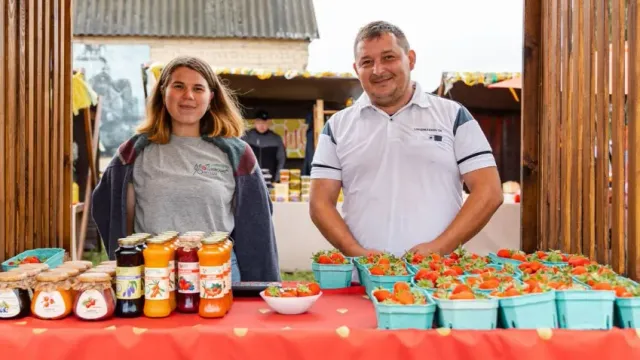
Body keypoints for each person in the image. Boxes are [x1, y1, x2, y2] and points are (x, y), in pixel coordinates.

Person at [309, 21, 503, 258]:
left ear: (410, 59)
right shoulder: (337, 127)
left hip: (437, 278)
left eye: (388, 57)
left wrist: (440, 247)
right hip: (364, 277)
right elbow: (319, 203)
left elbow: (489, 191)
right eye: (367, 62)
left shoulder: (453, 115)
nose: (378, 70)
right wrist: (356, 252)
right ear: (355, 68)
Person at [92, 56, 280, 282]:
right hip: (155, 275)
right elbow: (119, 221)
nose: (188, 96)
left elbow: (257, 223)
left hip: (217, 273)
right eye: (178, 86)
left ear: (211, 97)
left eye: (198, 88)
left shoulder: (238, 154)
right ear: (163, 93)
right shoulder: (134, 153)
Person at [242, 110, 286, 182]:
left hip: (270, 180)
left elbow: (281, 160)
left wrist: (277, 179)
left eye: (265, 122)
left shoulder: (276, 139)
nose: (262, 125)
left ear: (269, 123)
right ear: (254, 122)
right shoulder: (246, 137)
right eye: (259, 122)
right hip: (250, 180)